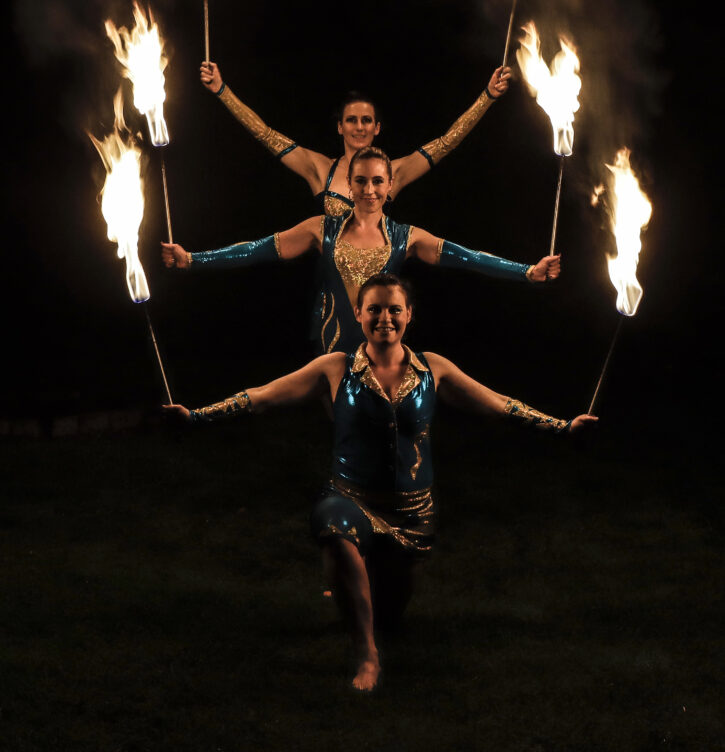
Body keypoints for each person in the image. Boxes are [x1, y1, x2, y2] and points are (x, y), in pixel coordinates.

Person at [163, 273, 598, 692]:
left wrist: (561, 427)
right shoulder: (335, 368)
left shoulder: (434, 370)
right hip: (350, 498)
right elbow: (262, 395)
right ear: (358, 313)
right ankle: (367, 655)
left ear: (410, 314)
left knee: (390, 615)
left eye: (394, 309)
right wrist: (197, 416)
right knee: (336, 529)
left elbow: (500, 405)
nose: (384, 318)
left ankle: (359, 589)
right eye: (374, 310)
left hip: (412, 515)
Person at [161, 146, 561, 355]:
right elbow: (256, 249)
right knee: (342, 425)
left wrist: (525, 271)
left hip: (385, 342)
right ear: (348, 185)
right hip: (330, 341)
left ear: (389, 186)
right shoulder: (322, 229)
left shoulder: (407, 237)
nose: (369, 190)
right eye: (361, 182)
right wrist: (194, 259)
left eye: (378, 182)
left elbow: (469, 257)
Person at [199, 60, 511, 215]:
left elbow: (447, 142)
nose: (359, 127)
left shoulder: (395, 172)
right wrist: (222, 91)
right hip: (333, 294)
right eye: (351, 120)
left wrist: (488, 96)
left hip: (382, 295)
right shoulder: (321, 169)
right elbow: (266, 135)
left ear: (377, 128)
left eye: (366, 121)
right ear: (340, 127)